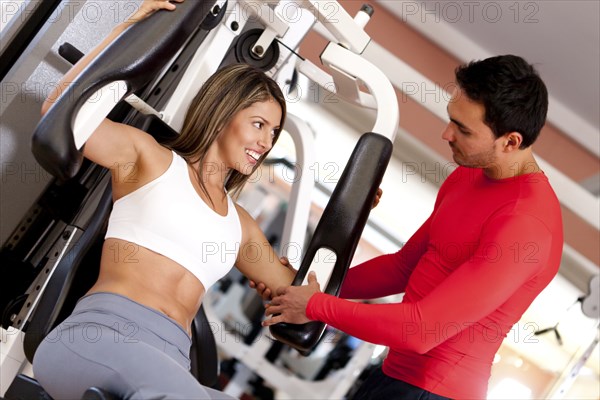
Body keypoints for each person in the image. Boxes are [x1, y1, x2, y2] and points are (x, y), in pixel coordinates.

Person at [31, 1, 297, 398]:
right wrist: (134, 25)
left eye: (273, 132)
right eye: (258, 124)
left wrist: (352, 215)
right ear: (223, 113)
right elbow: (62, 112)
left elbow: (299, 294)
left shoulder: (239, 224)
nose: (266, 142)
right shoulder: (149, 158)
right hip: (95, 339)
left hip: (172, 364)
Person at [259, 55, 563, 399]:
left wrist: (315, 305)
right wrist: (307, 284)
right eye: (452, 119)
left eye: (463, 130)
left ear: (511, 142)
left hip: (435, 391)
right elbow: (403, 267)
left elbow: (423, 331)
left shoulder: (527, 223)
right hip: (392, 375)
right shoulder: (468, 174)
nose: (447, 134)